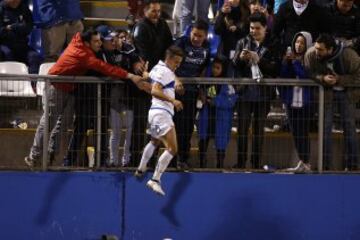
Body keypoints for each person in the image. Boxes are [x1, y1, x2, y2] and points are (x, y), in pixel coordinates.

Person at [24, 29, 145, 168]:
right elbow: (105, 68)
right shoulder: (83, 53)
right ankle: (34, 156)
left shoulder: (82, 44)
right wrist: (130, 76)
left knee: (64, 124)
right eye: (96, 41)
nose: (100, 43)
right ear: (87, 43)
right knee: (49, 122)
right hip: (56, 88)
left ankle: (50, 156)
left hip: (70, 89)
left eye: (100, 40)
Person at [304, 34, 360, 170]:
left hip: (347, 93)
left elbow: (358, 77)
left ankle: (352, 166)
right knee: (324, 129)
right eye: (316, 48)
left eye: (321, 50)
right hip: (326, 93)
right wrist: (322, 78)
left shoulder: (350, 56)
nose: (317, 51)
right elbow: (308, 72)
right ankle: (325, 166)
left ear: (330, 49)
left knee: (350, 129)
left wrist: (340, 79)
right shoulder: (311, 54)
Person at [134, 46, 184, 196]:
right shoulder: (166, 72)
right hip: (162, 113)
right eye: (176, 62)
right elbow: (155, 90)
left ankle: (141, 168)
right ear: (169, 59)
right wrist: (173, 100)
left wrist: (145, 74)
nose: (177, 65)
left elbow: (149, 80)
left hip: (154, 112)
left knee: (154, 142)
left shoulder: (157, 67)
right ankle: (155, 180)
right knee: (173, 149)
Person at [232, 12, 280, 169]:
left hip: (263, 94)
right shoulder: (242, 42)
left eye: (257, 28)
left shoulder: (273, 43)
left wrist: (260, 60)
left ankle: (256, 163)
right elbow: (234, 66)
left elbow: (275, 68)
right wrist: (240, 58)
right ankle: (241, 163)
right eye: (251, 28)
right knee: (242, 130)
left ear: (265, 28)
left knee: (259, 131)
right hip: (245, 92)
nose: (253, 31)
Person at [131, 0, 173, 165]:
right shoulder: (141, 27)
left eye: (159, 11)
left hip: (159, 80)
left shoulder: (162, 24)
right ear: (145, 11)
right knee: (141, 121)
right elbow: (143, 55)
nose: (157, 14)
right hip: (146, 82)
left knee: (156, 123)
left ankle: (151, 159)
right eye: (153, 11)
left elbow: (169, 48)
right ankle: (136, 158)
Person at [174, 20, 210, 170]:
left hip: (192, 93)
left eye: (200, 36)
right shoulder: (180, 43)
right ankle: (171, 159)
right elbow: (168, 64)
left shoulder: (207, 48)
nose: (196, 38)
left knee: (187, 128)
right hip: (175, 92)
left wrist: (201, 90)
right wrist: (176, 80)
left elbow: (203, 69)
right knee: (174, 127)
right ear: (190, 32)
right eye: (194, 34)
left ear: (205, 36)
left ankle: (183, 159)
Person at [278, 31, 314, 172]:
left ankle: (307, 162)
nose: (298, 45)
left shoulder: (310, 58)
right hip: (291, 100)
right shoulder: (290, 58)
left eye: (302, 43)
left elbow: (306, 76)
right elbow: (283, 75)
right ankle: (302, 160)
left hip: (305, 102)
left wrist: (295, 62)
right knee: (296, 133)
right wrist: (287, 62)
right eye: (297, 42)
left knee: (303, 132)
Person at [197, 57, 238, 168]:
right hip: (207, 116)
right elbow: (202, 95)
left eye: (218, 68)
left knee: (221, 143)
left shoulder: (228, 84)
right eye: (213, 67)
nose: (215, 70)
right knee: (203, 140)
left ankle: (220, 165)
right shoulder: (206, 80)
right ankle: (202, 164)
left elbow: (231, 101)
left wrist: (214, 101)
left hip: (222, 118)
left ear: (223, 69)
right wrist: (202, 96)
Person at [0, 0, 41, 74]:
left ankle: (33, 84)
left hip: (22, 45)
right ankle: (10, 84)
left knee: (34, 57)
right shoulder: (1, 9)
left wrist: (12, 27)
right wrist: (19, 27)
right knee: (7, 54)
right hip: (5, 44)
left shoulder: (24, 8)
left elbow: (28, 27)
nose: (16, 2)